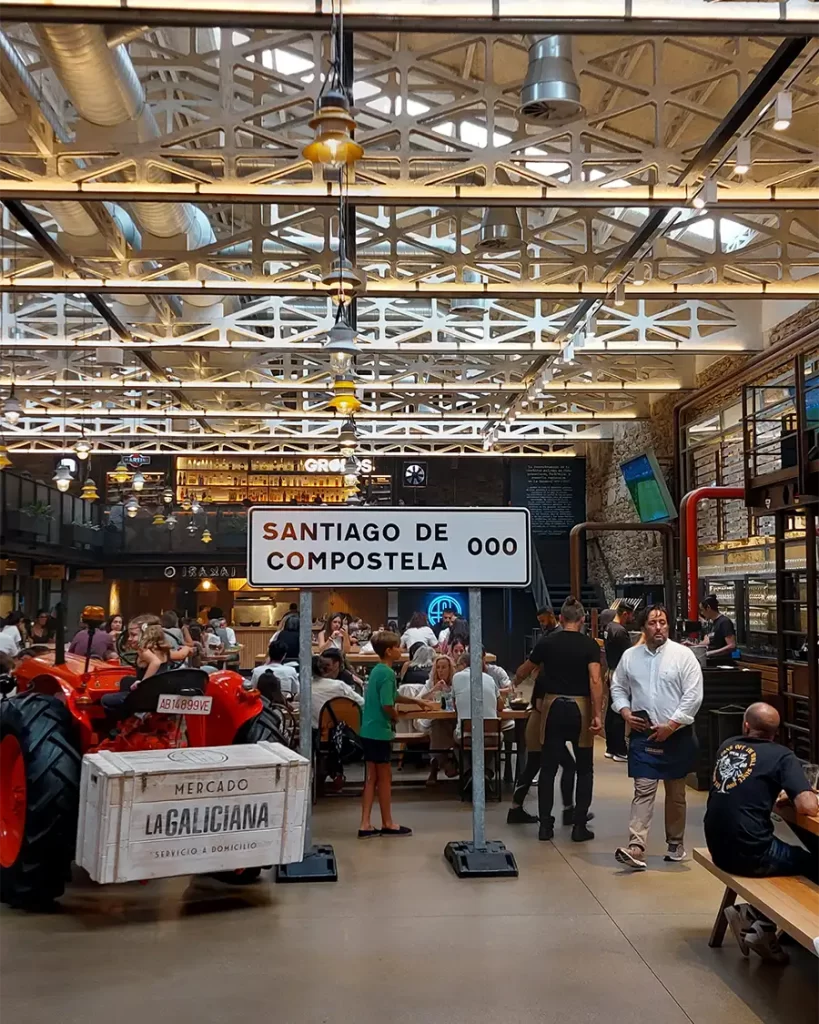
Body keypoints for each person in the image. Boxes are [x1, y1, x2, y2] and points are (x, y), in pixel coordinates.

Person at [705, 702, 819, 963]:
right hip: (751, 853)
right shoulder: (781, 755)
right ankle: (759, 921)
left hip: (718, 846)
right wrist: (794, 794)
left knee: (793, 858)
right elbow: (808, 806)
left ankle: (758, 921)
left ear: (746, 725)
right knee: (812, 864)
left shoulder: (728, 745)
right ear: (775, 732)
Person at [611, 604, 703, 870]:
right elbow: (617, 687)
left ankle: (675, 843)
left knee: (676, 793)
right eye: (652, 623)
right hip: (644, 732)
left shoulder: (683, 656)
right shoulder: (630, 657)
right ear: (643, 627)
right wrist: (625, 712)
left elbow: (693, 696)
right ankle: (636, 847)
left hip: (677, 733)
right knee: (643, 789)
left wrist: (672, 725)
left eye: (663, 622)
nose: (659, 627)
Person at [507, 605, 586, 828]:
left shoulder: (544, 671)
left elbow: (525, 673)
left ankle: (516, 808)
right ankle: (566, 811)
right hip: (540, 725)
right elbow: (541, 705)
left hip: (538, 723)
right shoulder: (546, 678)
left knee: (534, 765)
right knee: (561, 765)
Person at [531, 597, 603, 842]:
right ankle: (579, 826)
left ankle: (545, 826)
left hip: (552, 708)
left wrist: (512, 683)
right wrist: (596, 713)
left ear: (561, 619)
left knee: (548, 769)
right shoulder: (589, 645)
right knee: (584, 769)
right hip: (580, 708)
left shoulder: (547, 642)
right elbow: (595, 680)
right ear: (582, 620)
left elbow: (526, 669)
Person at [358, 630, 429, 838]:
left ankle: (365, 823)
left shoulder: (377, 670)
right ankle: (388, 822)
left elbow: (392, 695)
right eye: (398, 647)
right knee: (385, 778)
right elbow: (388, 704)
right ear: (389, 651)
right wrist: (396, 716)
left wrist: (417, 701)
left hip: (368, 729)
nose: (401, 650)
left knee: (371, 778)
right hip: (380, 732)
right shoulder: (389, 673)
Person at [418, 654, 458, 783]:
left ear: (450, 669)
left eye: (444, 667)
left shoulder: (456, 682)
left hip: (453, 719)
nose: (441, 671)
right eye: (438, 668)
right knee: (438, 725)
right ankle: (446, 763)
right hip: (433, 720)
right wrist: (434, 690)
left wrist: (447, 692)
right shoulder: (430, 683)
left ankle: (436, 765)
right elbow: (419, 700)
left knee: (443, 726)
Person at [451, 649, 504, 741]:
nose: (456, 668)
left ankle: (463, 756)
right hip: (493, 736)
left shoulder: (456, 677)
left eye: (457, 666)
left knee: (453, 736)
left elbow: (455, 706)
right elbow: (500, 705)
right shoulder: (490, 678)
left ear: (463, 664)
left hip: (466, 736)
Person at [604, 603, 634, 762]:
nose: (633, 618)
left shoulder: (609, 627)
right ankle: (620, 749)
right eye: (631, 615)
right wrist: (643, 640)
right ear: (625, 614)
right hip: (619, 673)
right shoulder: (621, 631)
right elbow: (630, 654)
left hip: (611, 670)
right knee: (619, 708)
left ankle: (610, 746)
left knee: (611, 709)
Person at [310, 654, 363, 730]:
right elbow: (361, 703)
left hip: (313, 732)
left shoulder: (305, 688)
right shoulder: (339, 686)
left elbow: (296, 698)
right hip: (338, 730)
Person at [698, 595, 737, 666]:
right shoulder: (712, 623)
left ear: (708, 608)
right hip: (712, 662)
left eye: (702, 610)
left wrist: (710, 653)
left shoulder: (724, 622)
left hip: (723, 664)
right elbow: (708, 642)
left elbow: (731, 645)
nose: (702, 613)